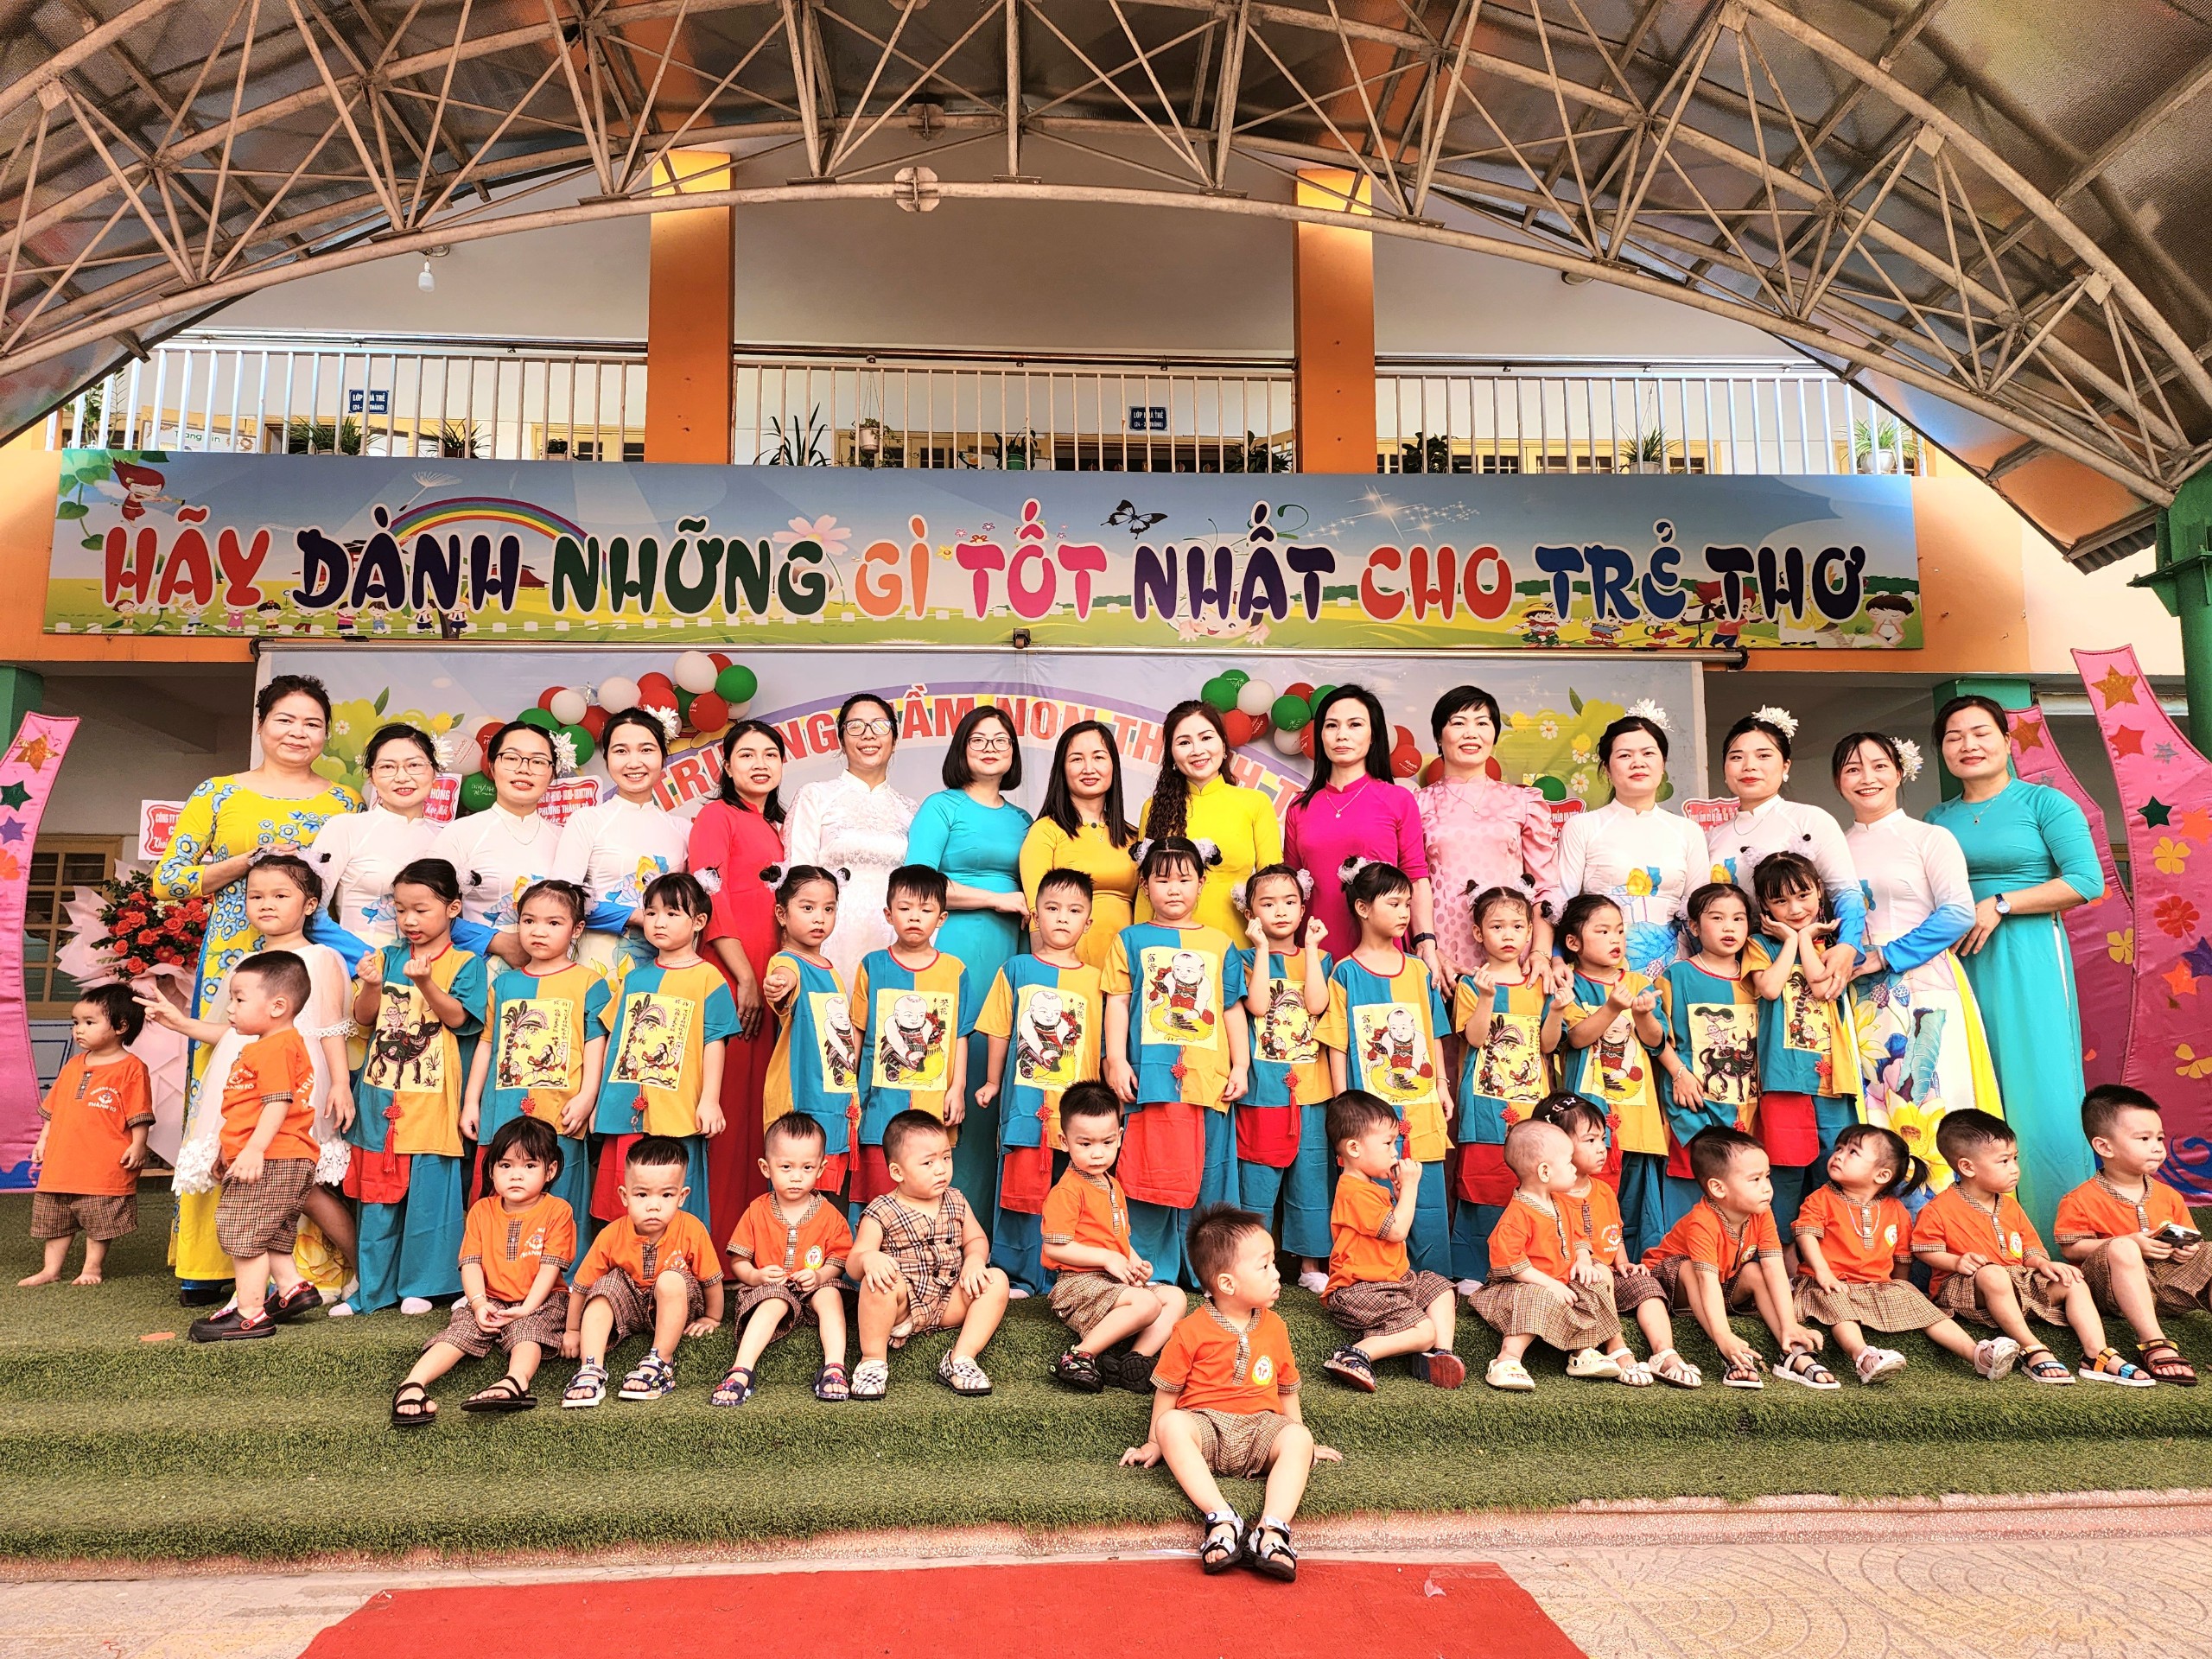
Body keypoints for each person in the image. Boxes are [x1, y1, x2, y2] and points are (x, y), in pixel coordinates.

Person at [156, 672, 361, 1304]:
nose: (299, 733)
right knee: (224, 1098)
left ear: (327, 734)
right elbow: (169, 879)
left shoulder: (346, 802)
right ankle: (212, 1263)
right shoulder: (219, 793)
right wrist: (251, 863)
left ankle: (303, 1268)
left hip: (309, 959)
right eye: (285, 720)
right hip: (233, 962)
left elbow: (348, 892)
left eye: (312, 724)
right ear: (261, 724)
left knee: (299, 1101)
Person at [146, 855, 359, 1307]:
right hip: (242, 1083)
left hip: (294, 1081)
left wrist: (340, 1083)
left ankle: (366, 1269)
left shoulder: (321, 958)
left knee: (306, 1184)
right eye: (255, 895)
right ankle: (273, 1283)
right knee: (253, 1182)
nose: (266, 904)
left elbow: (331, 1028)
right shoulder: (247, 960)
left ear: (310, 905)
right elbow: (233, 1030)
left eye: (280, 895)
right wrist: (179, 1022)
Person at [1926, 695, 2104, 1233]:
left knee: (2039, 1085)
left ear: (2006, 741)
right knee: (1970, 1085)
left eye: (1981, 733)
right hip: (1957, 964)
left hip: (2028, 958)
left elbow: (2086, 881)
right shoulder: (1936, 819)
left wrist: (2001, 903)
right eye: (1954, 737)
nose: (1968, 745)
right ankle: (1977, 1235)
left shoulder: (2046, 803)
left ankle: (2059, 1231)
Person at [1119, 1204, 1338, 1582]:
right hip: (1207, 1428)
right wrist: (1154, 1441)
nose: (1276, 1274)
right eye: (1264, 1266)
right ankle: (1222, 1520)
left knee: (1299, 1437)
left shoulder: (1276, 1327)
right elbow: (1167, 1391)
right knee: (1172, 1424)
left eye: (1273, 1263)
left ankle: (1272, 1531)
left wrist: (1303, 1443)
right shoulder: (1190, 1330)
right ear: (1227, 1284)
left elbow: (1286, 1389)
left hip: (1261, 1429)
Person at [1834, 730, 2002, 1194]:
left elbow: (1957, 913)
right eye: (1852, 769)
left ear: (1899, 772)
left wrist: (1887, 955)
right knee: (1873, 1105)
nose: (1866, 778)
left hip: (1922, 985)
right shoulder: (1834, 846)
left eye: (1878, 766)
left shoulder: (1929, 837)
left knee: (1931, 1094)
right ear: (1838, 782)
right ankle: (1882, 1215)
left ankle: (1951, 1214)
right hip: (1857, 992)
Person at [906, 705, 1033, 1238]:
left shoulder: (1024, 820)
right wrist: (998, 898)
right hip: (956, 947)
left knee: (996, 1076)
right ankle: (927, 1223)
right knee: (950, 1069)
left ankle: (988, 1229)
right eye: (978, 739)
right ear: (961, 748)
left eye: (1001, 740)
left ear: (1013, 753)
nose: (990, 748)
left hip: (1010, 952)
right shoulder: (942, 806)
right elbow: (919, 881)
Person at [1911, 1109, 2151, 1388]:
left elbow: (2029, 1250)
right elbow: (1924, 1249)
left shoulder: (2010, 1206)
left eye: (2015, 1158)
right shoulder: (1938, 1209)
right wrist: (1955, 1262)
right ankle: (2031, 1347)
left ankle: (2096, 1354)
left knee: (2072, 1280)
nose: (2014, 1168)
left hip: (2016, 1281)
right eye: (2004, 1161)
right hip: (1964, 1286)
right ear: (1967, 1167)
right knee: (1992, 1274)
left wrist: (2044, 1264)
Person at [1103, 837, 1246, 1287]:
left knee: (1209, 1174)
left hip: (1207, 1081)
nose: (1173, 889)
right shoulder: (1129, 939)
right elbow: (1117, 1002)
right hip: (1150, 1081)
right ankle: (1150, 1269)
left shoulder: (1221, 944)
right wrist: (1116, 1060)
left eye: (1184, 879)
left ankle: (1211, 1270)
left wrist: (1241, 1066)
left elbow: (1230, 1008)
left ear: (1201, 884)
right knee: (1148, 1173)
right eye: (1162, 879)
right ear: (1145, 885)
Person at [347, 858, 486, 1315]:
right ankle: (373, 1289)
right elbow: (363, 1017)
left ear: (453, 908)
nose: (409, 920)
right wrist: (371, 985)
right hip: (381, 1092)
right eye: (401, 909)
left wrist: (425, 981)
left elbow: (459, 1019)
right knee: (377, 1196)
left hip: (433, 1098)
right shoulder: (385, 958)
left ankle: (423, 1286)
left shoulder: (466, 963)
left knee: (430, 1196)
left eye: (421, 909)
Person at [1792, 1122, 2018, 1385]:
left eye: (1852, 1152)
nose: (1839, 1156)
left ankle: (1977, 1355)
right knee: (1839, 1306)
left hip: (1877, 1286)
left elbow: (1901, 1259)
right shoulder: (1821, 1198)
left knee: (1922, 1305)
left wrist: (1900, 1290)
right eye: (1839, 1148)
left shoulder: (1895, 1209)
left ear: (1882, 1175)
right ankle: (1863, 1357)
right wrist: (1823, 1273)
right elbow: (1806, 1234)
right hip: (1828, 1283)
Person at [391, 1116, 576, 1424]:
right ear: (491, 1170)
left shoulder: (558, 1211)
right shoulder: (481, 1210)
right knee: (460, 1330)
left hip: (541, 1299)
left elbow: (550, 1267)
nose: (516, 1175)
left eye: (530, 1166)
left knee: (527, 1330)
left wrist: (526, 1307)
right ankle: (412, 1384)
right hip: (490, 1298)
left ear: (550, 1171)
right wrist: (478, 1304)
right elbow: (471, 1263)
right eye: (506, 1166)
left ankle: (515, 1381)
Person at [1319, 860, 1452, 1276]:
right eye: (1393, 904)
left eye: (1408, 904)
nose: (1404, 913)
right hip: (1371, 1119)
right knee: (1377, 1204)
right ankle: (1380, 1281)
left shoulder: (1419, 970)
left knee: (1426, 1201)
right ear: (1362, 908)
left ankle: (1434, 1285)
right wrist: (1342, 1103)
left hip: (1422, 1110)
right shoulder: (1345, 972)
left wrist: (1442, 1084)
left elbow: (1433, 1032)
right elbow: (1337, 1042)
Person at [976, 868, 1103, 1295]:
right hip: (1024, 1103)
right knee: (1020, 1187)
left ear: (1088, 921)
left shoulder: (1096, 980)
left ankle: (1066, 1271)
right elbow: (999, 1028)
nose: (1062, 918)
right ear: (1034, 915)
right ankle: (1016, 1273)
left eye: (1074, 910)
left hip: (1076, 1108)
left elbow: (1103, 1042)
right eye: (1052, 908)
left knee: (1073, 1186)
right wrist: (992, 1081)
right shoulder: (1017, 968)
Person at [588, 873, 736, 1231]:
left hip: (678, 1110)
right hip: (626, 1108)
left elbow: (714, 1042)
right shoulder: (635, 978)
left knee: (675, 1201)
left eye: (672, 913)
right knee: (624, 1200)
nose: (658, 922)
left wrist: (709, 1100)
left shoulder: (709, 978)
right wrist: (599, 1102)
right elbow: (616, 1039)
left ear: (698, 922)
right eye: (651, 913)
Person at [688, 719, 789, 1238]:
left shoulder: (779, 826)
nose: (760, 764)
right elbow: (711, 895)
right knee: (726, 1105)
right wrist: (744, 976)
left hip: (774, 975)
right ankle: (714, 1238)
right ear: (726, 766)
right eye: (746, 755)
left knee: (760, 1107)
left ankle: (753, 1239)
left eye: (770, 754)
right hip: (733, 971)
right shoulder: (716, 815)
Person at [188, 950, 321, 1342]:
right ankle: (291, 1287)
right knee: (269, 1230)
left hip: (273, 1157)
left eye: (239, 999)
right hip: (285, 1157)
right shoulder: (274, 1045)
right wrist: (229, 1151)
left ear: (277, 1006)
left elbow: (277, 1102)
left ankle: (249, 1313)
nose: (230, 1008)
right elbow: (246, 1110)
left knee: (243, 1229)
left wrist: (253, 1150)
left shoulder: (275, 1047)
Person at [1642, 1126, 1837, 1391]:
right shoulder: (1702, 1221)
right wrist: (1724, 1334)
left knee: (1755, 1271)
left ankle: (1792, 1349)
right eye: (1754, 1180)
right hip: (1669, 1288)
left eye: (1767, 1176)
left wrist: (1790, 1322)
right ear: (1718, 1188)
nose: (1767, 1188)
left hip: (1718, 1285)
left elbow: (1774, 1268)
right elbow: (1705, 1280)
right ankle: (1728, 1351)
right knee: (1689, 1268)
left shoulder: (1761, 1212)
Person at [461, 879, 606, 1224]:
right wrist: (471, 1102)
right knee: (499, 1203)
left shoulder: (589, 983)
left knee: (560, 1201)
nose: (539, 931)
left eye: (553, 923)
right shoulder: (504, 984)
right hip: (503, 1111)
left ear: (576, 929)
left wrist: (587, 1098)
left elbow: (595, 1044)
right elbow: (487, 1044)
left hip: (562, 1113)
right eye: (529, 921)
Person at [1533, 1094, 1695, 1388]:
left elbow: (1614, 1232)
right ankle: (1617, 1348)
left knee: (1646, 1285)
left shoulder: (1604, 1191)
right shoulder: (1548, 1196)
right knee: (1598, 1273)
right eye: (1590, 1140)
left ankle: (1664, 1353)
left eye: (1602, 1139)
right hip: (1571, 1282)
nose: (1601, 1148)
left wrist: (1623, 1262)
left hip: (1609, 1274)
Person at [848, 1109, 1012, 1400]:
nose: (941, 1169)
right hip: (903, 1308)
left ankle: (960, 1359)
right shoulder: (881, 1210)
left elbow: (976, 1239)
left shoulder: (956, 1200)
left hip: (948, 1302)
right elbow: (853, 1263)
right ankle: (872, 1360)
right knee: (879, 1283)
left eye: (946, 1158)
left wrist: (974, 1262)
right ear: (897, 1172)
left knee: (996, 1279)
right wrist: (868, 1259)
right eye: (928, 1162)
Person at [2052, 1084, 2209, 1386]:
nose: (2157, 1147)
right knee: (2123, 1246)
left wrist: (2187, 1249)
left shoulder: (2169, 1195)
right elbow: (2071, 1249)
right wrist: (2128, 1242)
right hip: (2112, 1294)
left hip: (2168, 1289)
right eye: (2143, 1139)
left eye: (2159, 1138)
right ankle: (2154, 1342)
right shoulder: (2080, 1199)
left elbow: (2193, 1240)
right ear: (2105, 1147)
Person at [1449, 886, 1562, 1285]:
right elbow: (1475, 1038)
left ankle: (1526, 1265)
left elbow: (1548, 1045)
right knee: (1480, 1184)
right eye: (1497, 927)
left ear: (1530, 931)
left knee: (1527, 1181)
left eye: (1517, 926)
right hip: (1484, 1106)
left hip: (1532, 1107)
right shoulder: (1471, 984)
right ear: (1478, 933)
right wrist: (1485, 997)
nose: (1508, 935)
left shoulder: (1539, 983)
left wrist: (1557, 1010)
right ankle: (1471, 1269)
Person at [1039, 1081, 1185, 1393]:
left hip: (1113, 1282)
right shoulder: (1068, 1191)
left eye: (1107, 1142)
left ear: (1119, 1137)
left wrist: (1136, 1264)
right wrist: (1107, 1258)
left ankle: (1133, 1362)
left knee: (1175, 1297)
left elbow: (1120, 1240)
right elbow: (1054, 1248)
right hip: (1077, 1284)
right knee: (1146, 1303)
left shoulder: (1112, 1186)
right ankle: (1079, 1355)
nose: (1097, 1153)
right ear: (1064, 1141)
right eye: (1085, 1144)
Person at [560, 1135, 726, 1407]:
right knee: (604, 1287)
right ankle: (591, 1368)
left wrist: (712, 1317)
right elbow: (582, 1286)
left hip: (675, 1303)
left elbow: (711, 1280)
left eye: (666, 1195)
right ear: (624, 1196)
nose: (653, 1205)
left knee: (671, 1278)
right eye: (642, 1195)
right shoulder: (612, 1234)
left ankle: (660, 1363)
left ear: (682, 1196)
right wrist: (572, 1330)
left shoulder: (692, 1228)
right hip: (629, 1306)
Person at [1415, 684, 1564, 987]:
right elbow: (1411, 885)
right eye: (1458, 723)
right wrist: (1428, 948)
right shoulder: (1418, 804)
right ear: (1439, 737)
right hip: (1442, 960)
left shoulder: (1523, 802)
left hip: (1513, 961)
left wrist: (1540, 953)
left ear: (1494, 735)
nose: (1471, 733)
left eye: (1482, 723)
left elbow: (1545, 887)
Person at [1745, 852, 1862, 1233]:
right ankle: (1780, 1249)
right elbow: (1770, 987)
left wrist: (1805, 940)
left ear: (1820, 891)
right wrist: (1793, 941)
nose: (1795, 909)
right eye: (1780, 901)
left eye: (1803, 896)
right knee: (1784, 1168)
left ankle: (1832, 1244)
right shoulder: (1759, 945)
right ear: (1764, 905)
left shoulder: (1834, 945)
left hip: (1831, 1078)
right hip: (1783, 1076)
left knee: (1836, 1162)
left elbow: (1822, 986)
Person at [1317, 1090, 1464, 1392]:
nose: (1395, 1152)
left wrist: (1399, 1197)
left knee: (1440, 1287)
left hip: (1393, 1282)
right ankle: (1355, 1354)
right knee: (1424, 1331)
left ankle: (1439, 1355)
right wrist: (1410, 1189)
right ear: (1354, 1148)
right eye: (1387, 1143)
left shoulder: (1370, 1187)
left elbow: (1388, 1229)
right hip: (1359, 1288)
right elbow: (1397, 1231)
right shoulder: (1354, 1191)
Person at [1230, 864, 1333, 1292]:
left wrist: (1310, 949)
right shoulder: (1242, 959)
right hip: (1263, 1090)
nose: (1280, 911)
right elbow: (1257, 1006)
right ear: (1250, 912)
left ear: (1303, 908)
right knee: (1258, 1180)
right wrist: (1260, 949)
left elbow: (1316, 1004)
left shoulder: (1321, 958)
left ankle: (1310, 1265)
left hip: (1311, 1090)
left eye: (1290, 902)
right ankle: (1253, 1263)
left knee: (1311, 1176)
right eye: (1268, 903)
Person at [1705, 707, 1866, 981]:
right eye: (1736, 757)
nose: (1749, 766)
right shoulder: (1712, 837)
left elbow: (1845, 892)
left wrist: (1848, 946)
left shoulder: (1810, 820)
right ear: (1724, 769)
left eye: (1763, 755)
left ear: (1786, 766)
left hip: (1803, 969)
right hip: (1730, 971)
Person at [1468, 1118, 1625, 1392]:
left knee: (1594, 1285)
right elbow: (1512, 1264)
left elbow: (1579, 1237)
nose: (1574, 1168)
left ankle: (1582, 1351)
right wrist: (1551, 1284)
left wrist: (1583, 1259)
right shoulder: (1517, 1215)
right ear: (1544, 1171)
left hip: (1559, 1282)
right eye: (1569, 1162)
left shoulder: (1560, 1202)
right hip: (1518, 1288)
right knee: (1540, 1295)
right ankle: (1507, 1359)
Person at [1553, 894, 1669, 1261]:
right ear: (1573, 942)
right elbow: (1577, 1038)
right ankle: (1589, 1263)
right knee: (1586, 1191)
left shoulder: (1638, 981)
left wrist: (1644, 1015)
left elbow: (1655, 1041)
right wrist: (1613, 1007)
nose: (1615, 939)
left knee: (1637, 1200)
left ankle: (1636, 1268)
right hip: (1590, 1112)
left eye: (1619, 930)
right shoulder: (1570, 983)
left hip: (1637, 1114)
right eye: (1602, 931)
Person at [1555, 707, 1708, 979]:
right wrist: (1556, 959)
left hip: (1675, 971)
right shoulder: (1582, 827)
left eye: (1648, 753)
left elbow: (1701, 912)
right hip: (1601, 972)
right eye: (1625, 755)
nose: (1638, 763)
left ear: (1663, 764)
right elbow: (1561, 906)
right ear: (1607, 768)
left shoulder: (1688, 831)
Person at [1283, 686, 1431, 963]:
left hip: (1382, 955)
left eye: (1355, 725)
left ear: (1373, 735)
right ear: (1321, 735)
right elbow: (1291, 888)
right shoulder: (1299, 807)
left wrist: (1426, 941)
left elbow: (1416, 878)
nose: (1342, 734)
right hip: (1314, 954)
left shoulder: (1398, 800)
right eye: (1331, 725)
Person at [716, 1110, 855, 1407]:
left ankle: (834, 1368)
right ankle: (741, 1370)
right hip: (770, 1290)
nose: (796, 1176)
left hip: (814, 1289)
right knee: (775, 1300)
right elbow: (738, 1261)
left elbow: (840, 1259)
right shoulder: (757, 1211)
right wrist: (756, 1276)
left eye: (807, 1167)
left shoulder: (829, 1215)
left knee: (830, 1294)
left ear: (821, 1168)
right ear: (766, 1168)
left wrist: (820, 1276)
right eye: (786, 1167)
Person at [850, 865, 967, 1206]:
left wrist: (957, 1088)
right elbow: (857, 1030)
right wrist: (849, 1092)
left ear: (941, 918)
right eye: (905, 908)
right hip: (879, 1104)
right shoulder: (872, 965)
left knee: (927, 1189)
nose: (915, 917)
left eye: (926, 910)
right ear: (889, 914)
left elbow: (959, 1035)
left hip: (932, 1103)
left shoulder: (955, 970)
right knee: (876, 1195)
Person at [22, 984, 153, 1287]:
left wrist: (138, 1144)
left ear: (121, 1026)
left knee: (99, 1217)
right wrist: (43, 1140)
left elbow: (139, 1111)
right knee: (55, 1217)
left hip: (103, 1164)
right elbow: (53, 1109)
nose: (78, 1029)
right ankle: (51, 1269)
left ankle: (92, 1267)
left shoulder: (132, 1068)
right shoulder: (72, 1066)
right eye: (76, 1022)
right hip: (62, 1163)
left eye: (89, 1022)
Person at [1651, 883, 1763, 1242]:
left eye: (1738, 919)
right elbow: (1656, 1034)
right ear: (1695, 927)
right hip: (1694, 1107)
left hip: (1747, 1109)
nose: (1729, 927)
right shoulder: (1678, 976)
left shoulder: (1758, 979)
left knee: (1743, 1195)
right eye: (1717, 918)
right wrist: (1678, 1073)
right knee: (1691, 1200)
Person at [783, 692, 918, 984]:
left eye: (880, 725)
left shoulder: (911, 810)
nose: (868, 735)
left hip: (894, 938)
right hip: (831, 939)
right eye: (855, 726)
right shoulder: (815, 796)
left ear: (895, 740)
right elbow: (797, 879)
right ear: (841, 740)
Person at [552, 707, 690, 970]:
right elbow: (562, 900)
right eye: (621, 751)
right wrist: (638, 916)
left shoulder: (683, 829)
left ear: (663, 757)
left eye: (646, 750)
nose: (634, 762)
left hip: (667, 964)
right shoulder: (587, 820)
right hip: (598, 962)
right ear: (607, 760)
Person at [1138, 700, 1281, 938]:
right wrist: (1138, 944)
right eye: (1184, 742)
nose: (1197, 750)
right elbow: (1145, 890)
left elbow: (1274, 888)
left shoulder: (1256, 803)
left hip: (1237, 945)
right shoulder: (1154, 808)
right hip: (1169, 945)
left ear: (1224, 746)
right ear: (1171, 754)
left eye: (1206, 738)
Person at [304, 722, 442, 968]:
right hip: (359, 969)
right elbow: (310, 913)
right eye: (388, 767)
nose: (402, 777)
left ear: (434, 772)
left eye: (414, 765)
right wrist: (373, 961)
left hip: (431, 975)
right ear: (372, 776)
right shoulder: (346, 828)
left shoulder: (446, 838)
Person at [759, 867, 861, 1196]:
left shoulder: (830, 970)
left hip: (834, 1096)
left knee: (827, 1196)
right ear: (781, 914)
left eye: (829, 909)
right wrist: (779, 985)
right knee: (797, 1189)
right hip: (803, 1097)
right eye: (807, 908)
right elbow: (784, 977)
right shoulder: (787, 962)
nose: (820, 918)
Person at [430, 720, 561, 967]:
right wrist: (496, 941)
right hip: (476, 974)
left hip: (552, 976)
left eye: (538, 761)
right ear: (492, 766)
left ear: (552, 773)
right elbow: (424, 909)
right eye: (511, 758)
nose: (524, 769)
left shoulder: (565, 839)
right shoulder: (460, 833)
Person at [1020, 721, 1139, 969]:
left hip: (1127, 968)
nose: (1089, 768)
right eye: (1076, 759)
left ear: (1113, 765)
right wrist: (1049, 976)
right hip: (1070, 970)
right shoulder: (1045, 831)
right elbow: (1037, 917)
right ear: (1062, 769)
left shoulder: (1133, 836)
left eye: (1099, 757)